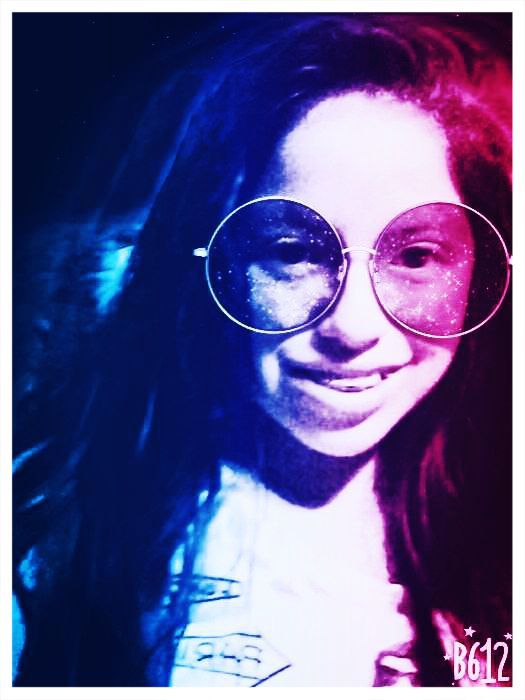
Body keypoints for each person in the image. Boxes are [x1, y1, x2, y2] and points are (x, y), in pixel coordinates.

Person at [13, 12, 512, 687]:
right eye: (291, 252)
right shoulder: (51, 534)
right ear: (209, 263)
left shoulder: (494, 526)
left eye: (416, 255)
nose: (353, 326)